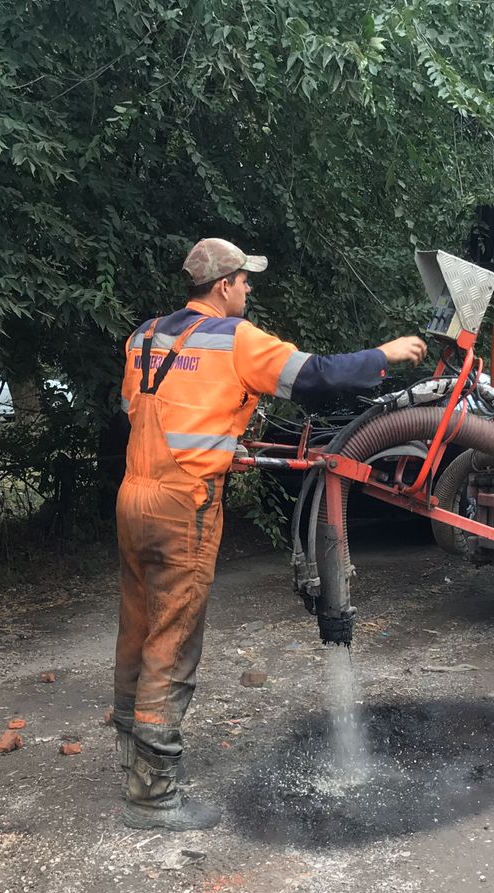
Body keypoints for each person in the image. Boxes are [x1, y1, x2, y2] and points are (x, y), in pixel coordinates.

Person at [113, 237, 427, 830]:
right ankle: (153, 797)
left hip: (134, 500)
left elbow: (152, 410)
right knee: (173, 640)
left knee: (137, 629)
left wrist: (224, 434)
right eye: (245, 281)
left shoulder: (143, 338)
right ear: (224, 285)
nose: (250, 290)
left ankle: (130, 762)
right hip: (187, 504)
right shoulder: (234, 339)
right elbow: (315, 377)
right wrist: (386, 353)